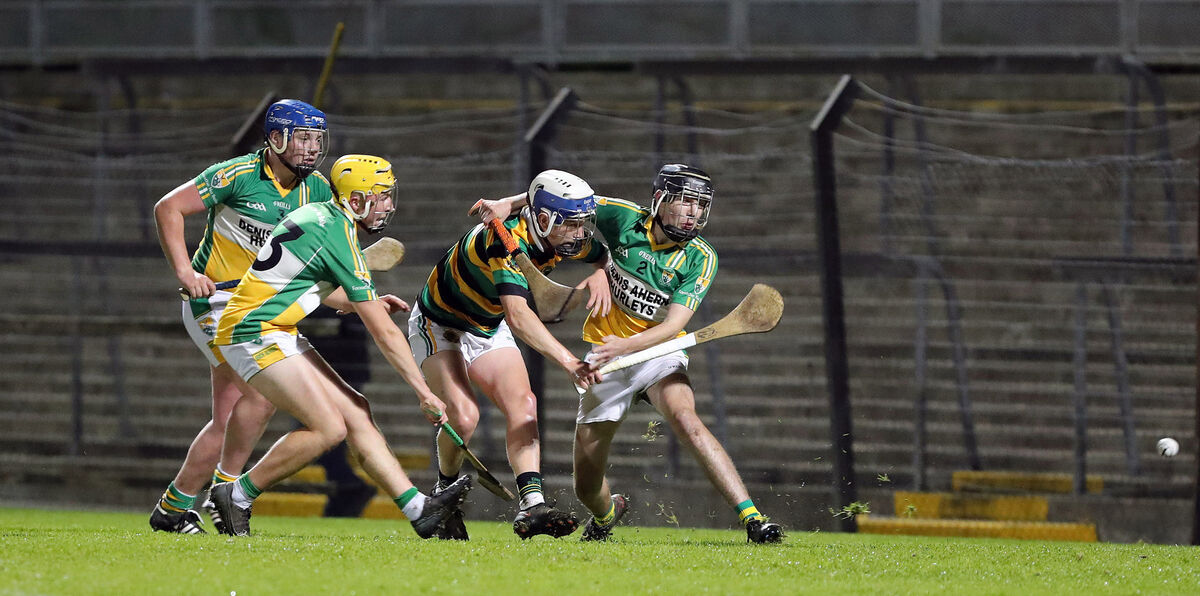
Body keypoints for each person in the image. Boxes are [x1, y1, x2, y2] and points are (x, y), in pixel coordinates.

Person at [474, 164, 784, 544]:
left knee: (686, 418)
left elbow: (673, 326)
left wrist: (626, 346)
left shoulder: (701, 257)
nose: (693, 213)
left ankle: (753, 519)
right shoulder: (621, 216)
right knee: (586, 486)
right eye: (685, 203)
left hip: (657, 353)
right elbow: (567, 199)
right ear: (659, 200)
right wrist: (508, 202)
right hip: (607, 363)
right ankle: (607, 515)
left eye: (701, 206)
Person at [207, 154, 471, 537]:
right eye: (381, 196)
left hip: (269, 326)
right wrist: (424, 392)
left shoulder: (320, 216)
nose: (389, 204)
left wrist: (356, 302)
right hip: (253, 331)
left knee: (356, 411)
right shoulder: (338, 233)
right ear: (357, 199)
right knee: (328, 428)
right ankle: (237, 495)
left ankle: (420, 511)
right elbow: (384, 332)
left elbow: (296, 279)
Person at [149, 99, 333, 534]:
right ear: (275, 138)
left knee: (229, 415)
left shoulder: (318, 191)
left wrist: (356, 298)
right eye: (302, 138)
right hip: (214, 302)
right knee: (263, 393)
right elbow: (167, 208)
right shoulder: (236, 174)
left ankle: (173, 509)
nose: (311, 148)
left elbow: (323, 261)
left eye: (317, 139)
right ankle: (229, 492)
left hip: (259, 310)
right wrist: (184, 271)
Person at [408, 170, 609, 540]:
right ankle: (442, 495)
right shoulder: (504, 240)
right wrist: (568, 361)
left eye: (584, 224)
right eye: (573, 225)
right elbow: (518, 316)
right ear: (544, 219)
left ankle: (532, 505)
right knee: (464, 419)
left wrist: (600, 271)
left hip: (487, 324)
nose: (581, 234)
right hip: (441, 324)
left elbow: (604, 253)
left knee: (525, 405)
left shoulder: (561, 233)